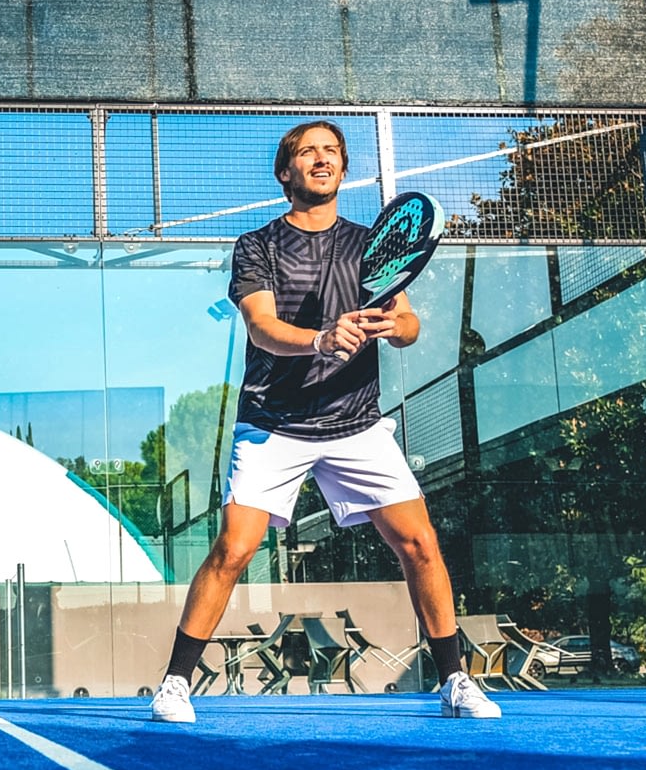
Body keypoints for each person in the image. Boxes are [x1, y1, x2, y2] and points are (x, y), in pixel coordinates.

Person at [149, 120, 500, 722]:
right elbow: (262, 327)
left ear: (342, 168)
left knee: (419, 542)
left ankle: (454, 681)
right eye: (308, 152)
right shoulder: (257, 246)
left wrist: (395, 326)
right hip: (273, 422)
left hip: (356, 422)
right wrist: (320, 339)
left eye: (332, 151)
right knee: (234, 548)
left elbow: (409, 324)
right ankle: (175, 684)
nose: (322, 159)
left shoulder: (372, 243)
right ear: (284, 172)